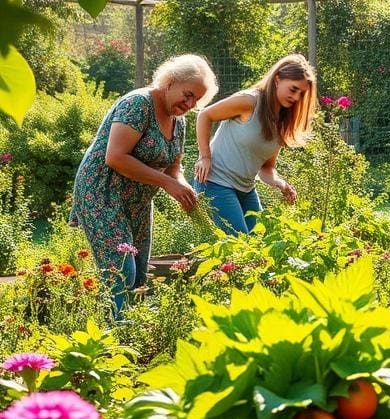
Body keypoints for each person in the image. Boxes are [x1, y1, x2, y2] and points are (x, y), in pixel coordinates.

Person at [70, 54, 218, 317]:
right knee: (121, 266)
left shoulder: (178, 120)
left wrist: (182, 188)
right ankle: (116, 334)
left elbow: (174, 167)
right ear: (169, 82)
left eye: (196, 99)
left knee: (138, 268)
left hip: (137, 199)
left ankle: (130, 329)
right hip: (102, 192)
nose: (190, 103)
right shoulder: (138, 104)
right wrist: (167, 183)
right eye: (187, 94)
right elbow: (115, 157)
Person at [194, 54, 317, 235]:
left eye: (301, 94)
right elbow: (205, 115)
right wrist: (205, 157)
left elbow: (267, 168)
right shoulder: (249, 101)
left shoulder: (281, 121)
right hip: (215, 182)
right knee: (240, 247)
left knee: (262, 242)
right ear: (277, 79)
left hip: (246, 189)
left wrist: (281, 184)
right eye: (293, 89)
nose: (296, 97)